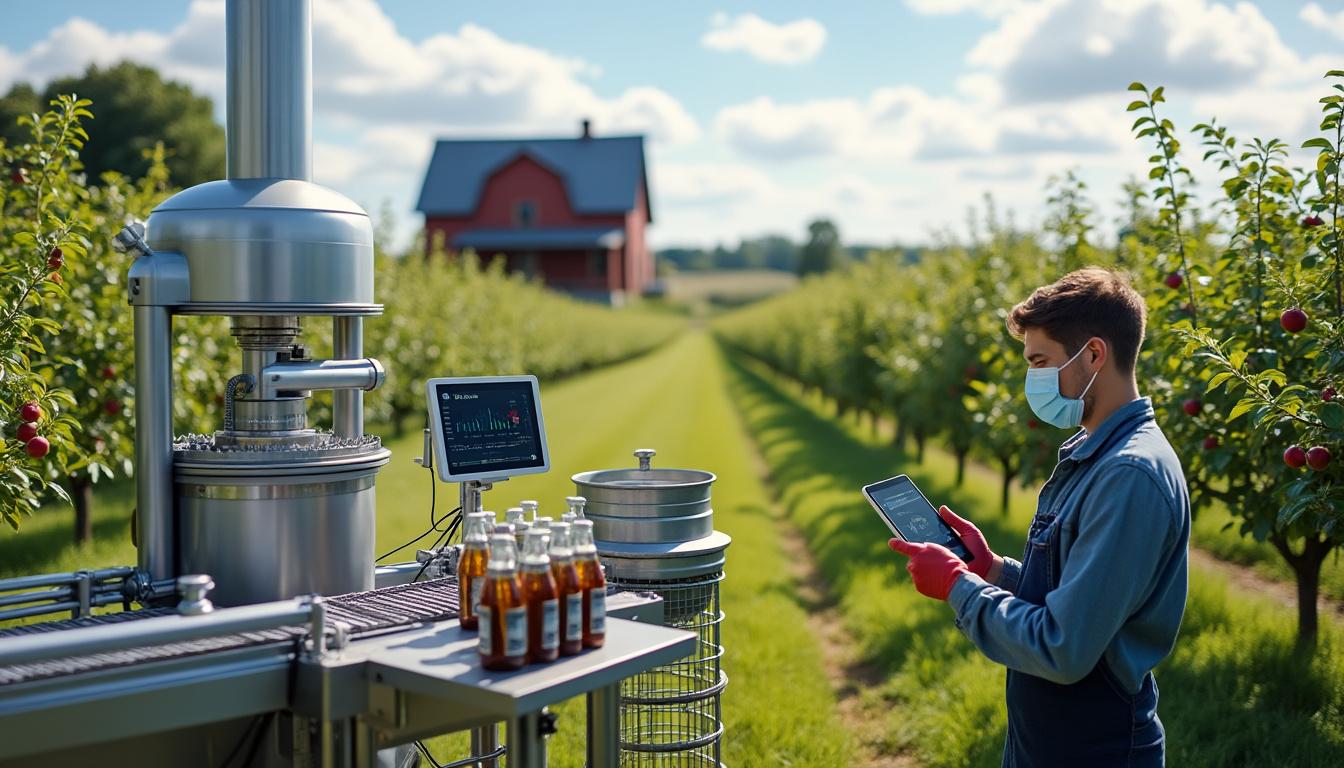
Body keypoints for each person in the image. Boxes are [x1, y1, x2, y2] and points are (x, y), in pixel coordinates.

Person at [888, 268, 1190, 767]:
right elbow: (1078, 596)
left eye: (1041, 361)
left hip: (1099, 748)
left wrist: (958, 587)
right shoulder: (1095, 456)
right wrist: (993, 572)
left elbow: (1063, 645)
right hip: (1056, 739)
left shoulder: (1128, 475)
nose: (1033, 379)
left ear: (1094, 354)